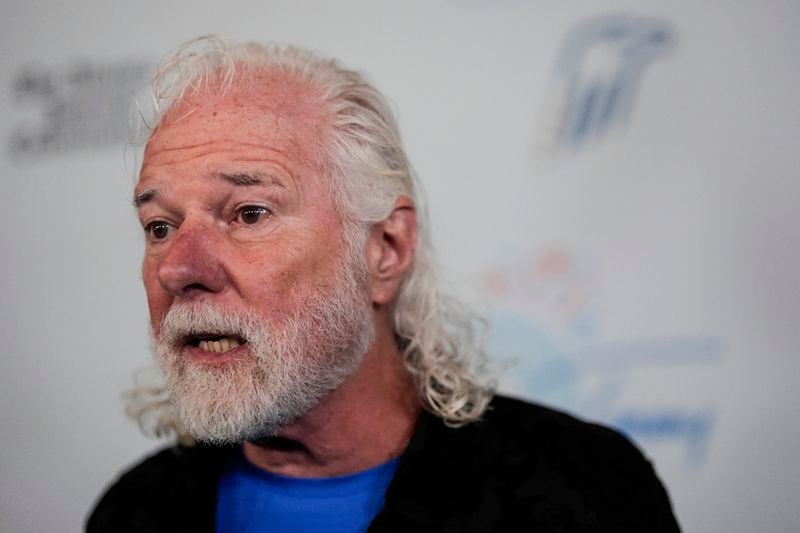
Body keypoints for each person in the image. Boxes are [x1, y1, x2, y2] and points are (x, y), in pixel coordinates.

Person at [87, 35, 680, 532]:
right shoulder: (132, 513)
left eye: (248, 213)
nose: (178, 269)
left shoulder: (583, 493)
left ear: (385, 249)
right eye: (159, 226)